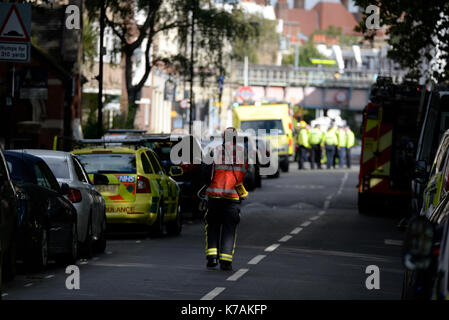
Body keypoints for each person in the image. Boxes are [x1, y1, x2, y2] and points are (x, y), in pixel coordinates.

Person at [203, 127, 248, 271]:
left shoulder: (215, 151)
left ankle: (212, 258)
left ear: (223, 138)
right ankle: (226, 261)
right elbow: (245, 171)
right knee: (229, 229)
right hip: (233, 197)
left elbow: (206, 172)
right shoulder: (243, 153)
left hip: (214, 196)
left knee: (213, 226)